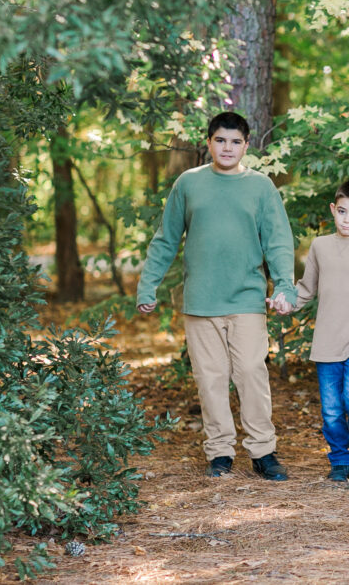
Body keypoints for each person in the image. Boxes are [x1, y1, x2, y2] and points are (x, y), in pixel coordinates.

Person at [136, 111, 295, 481]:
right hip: (201, 301)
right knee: (210, 378)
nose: (227, 147)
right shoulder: (189, 184)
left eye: (235, 141)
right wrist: (148, 285)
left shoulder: (260, 187)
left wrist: (285, 286)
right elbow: (165, 239)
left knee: (252, 373)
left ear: (246, 145)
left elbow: (278, 242)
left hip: (246, 298)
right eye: (220, 140)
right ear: (208, 143)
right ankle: (220, 452)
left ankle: (263, 451)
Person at [285, 180, 349, 482]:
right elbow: (306, 290)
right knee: (331, 408)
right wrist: (285, 302)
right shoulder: (320, 246)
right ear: (333, 209)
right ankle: (340, 458)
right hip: (326, 342)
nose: (347, 219)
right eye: (342, 211)